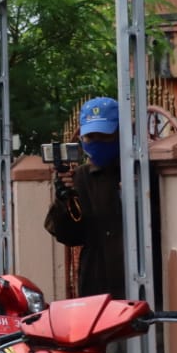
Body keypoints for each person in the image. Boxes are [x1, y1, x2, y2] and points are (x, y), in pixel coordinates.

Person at [44, 96, 125, 298]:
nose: (97, 142)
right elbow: (69, 235)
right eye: (91, 137)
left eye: (104, 135)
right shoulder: (80, 178)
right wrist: (64, 200)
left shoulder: (141, 174)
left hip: (139, 284)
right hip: (97, 288)